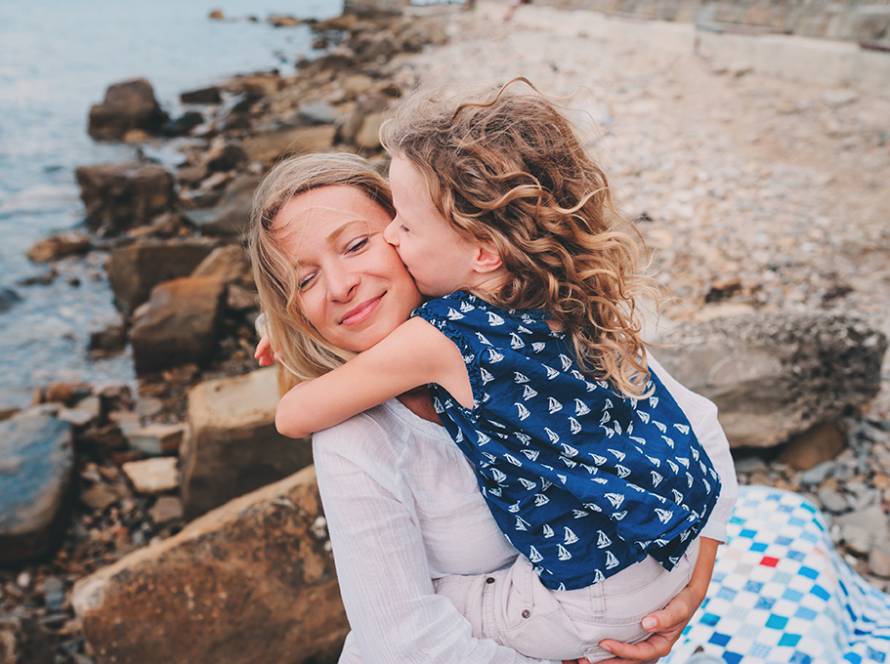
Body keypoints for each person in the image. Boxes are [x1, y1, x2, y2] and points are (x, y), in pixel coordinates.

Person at [262, 81, 737, 662]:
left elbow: (698, 425)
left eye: (364, 241)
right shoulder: (359, 432)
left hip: (595, 610)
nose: (339, 287)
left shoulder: (499, 318)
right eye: (304, 280)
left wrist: (688, 594)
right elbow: (405, 642)